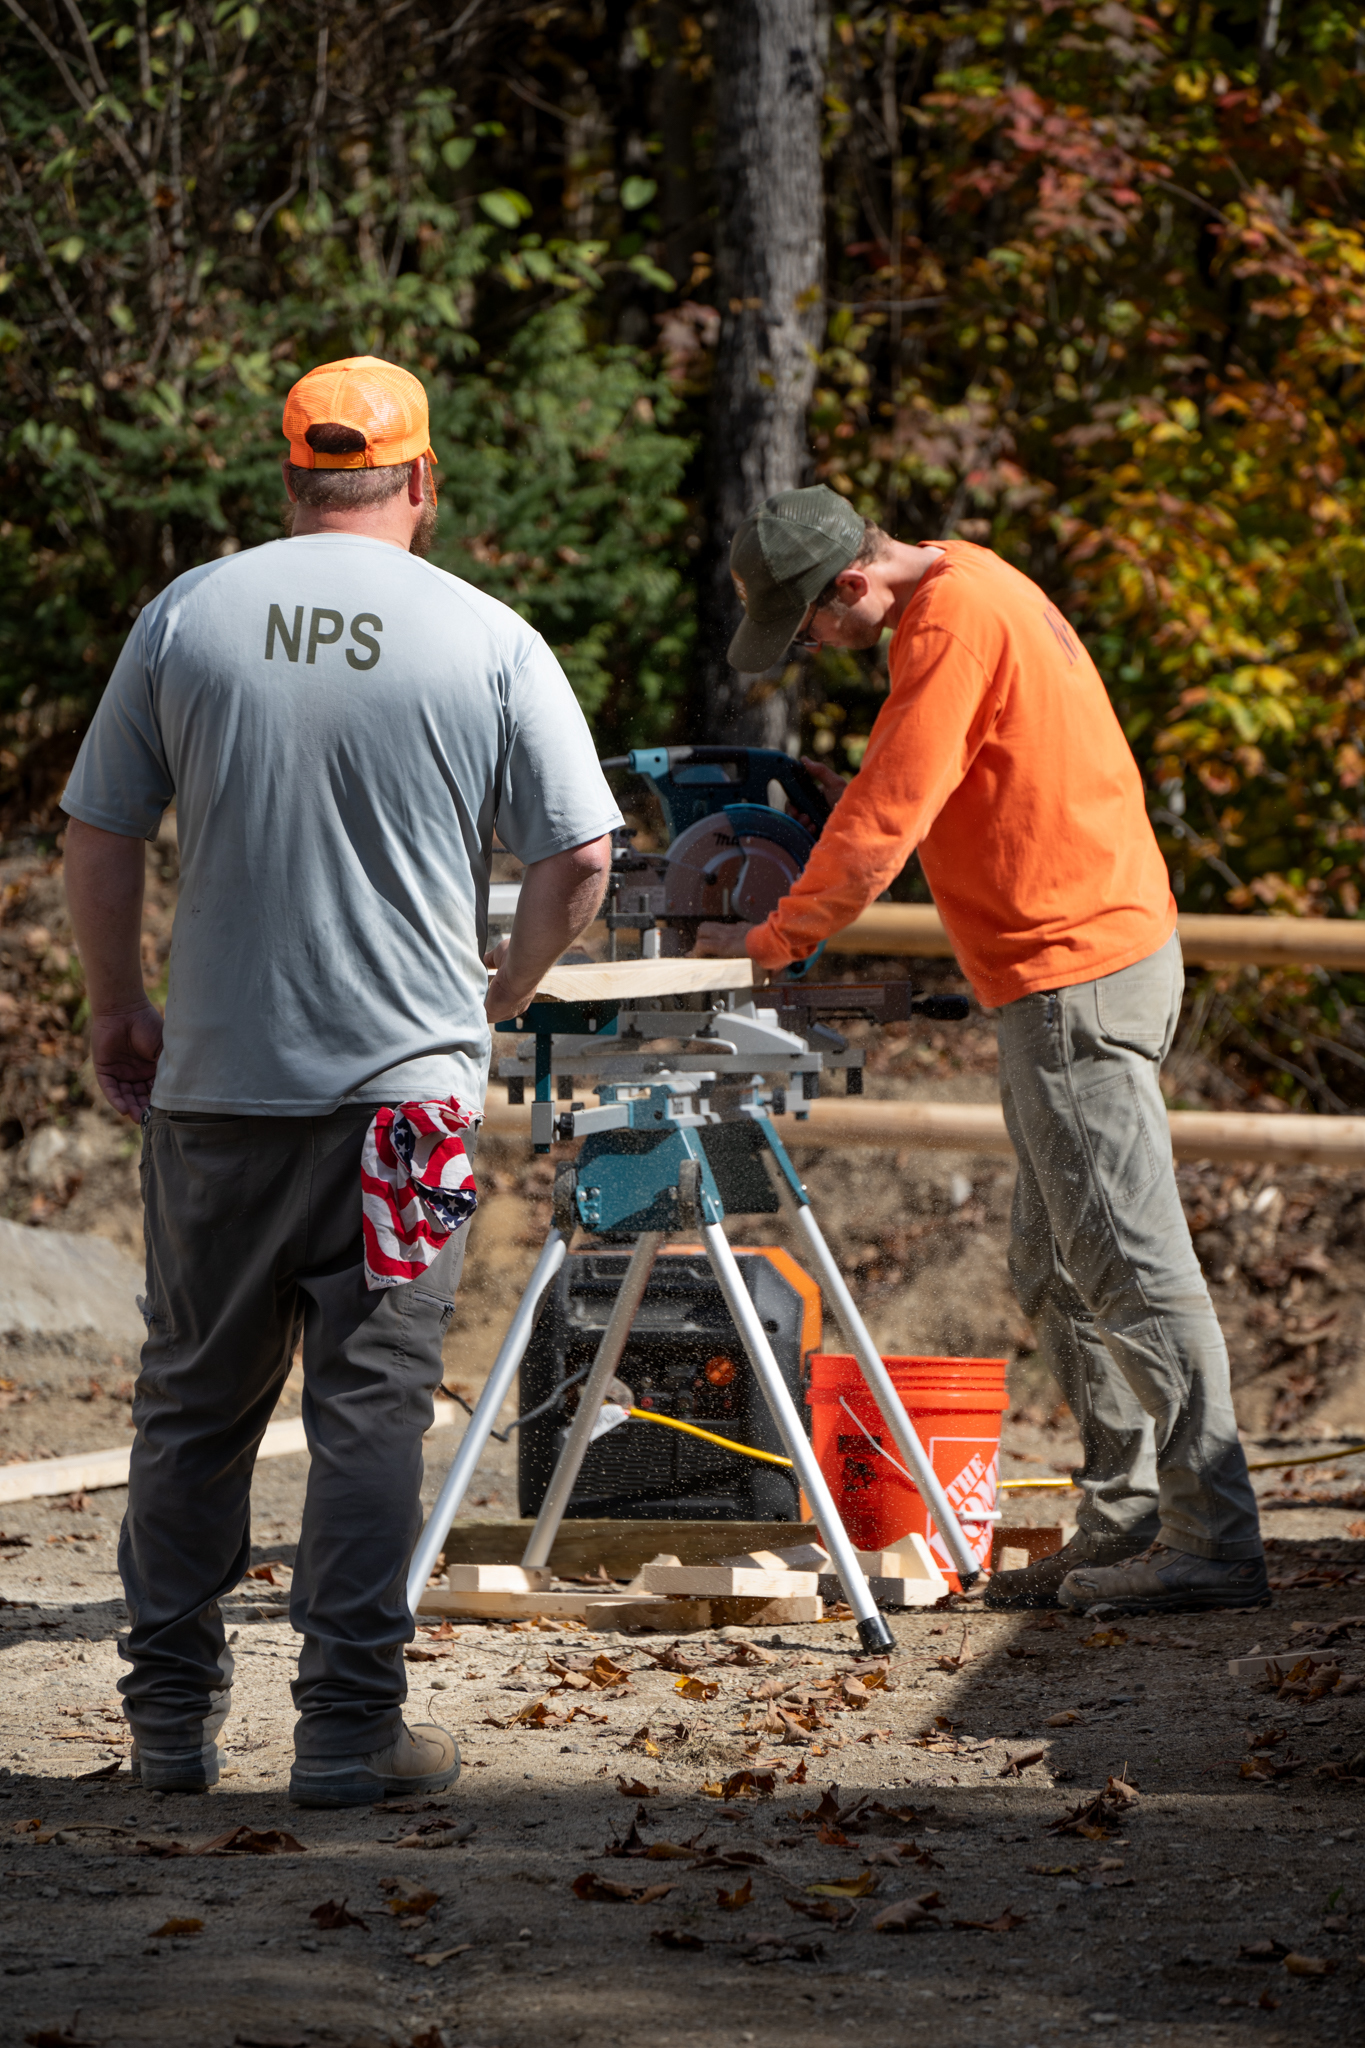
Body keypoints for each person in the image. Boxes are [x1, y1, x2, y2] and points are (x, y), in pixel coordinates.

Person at [60, 355, 621, 1802]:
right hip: (406, 1110)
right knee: (371, 1408)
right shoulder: (487, 636)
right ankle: (347, 1732)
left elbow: (101, 827)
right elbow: (582, 859)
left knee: (192, 1406)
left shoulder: (190, 612)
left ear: (291, 485)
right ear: (420, 483)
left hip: (219, 1095)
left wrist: (122, 1004)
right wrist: (495, 1000)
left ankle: (170, 1731)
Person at [697, 485, 1267, 1617]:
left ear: (852, 583)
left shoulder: (947, 623)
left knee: (1126, 1262)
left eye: (811, 624)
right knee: (1055, 1266)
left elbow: (886, 821)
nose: (814, 645)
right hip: (1087, 963)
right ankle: (1128, 1517)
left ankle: (1214, 1536)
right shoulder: (972, 581)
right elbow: (925, 780)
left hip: (1074, 979)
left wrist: (767, 939)